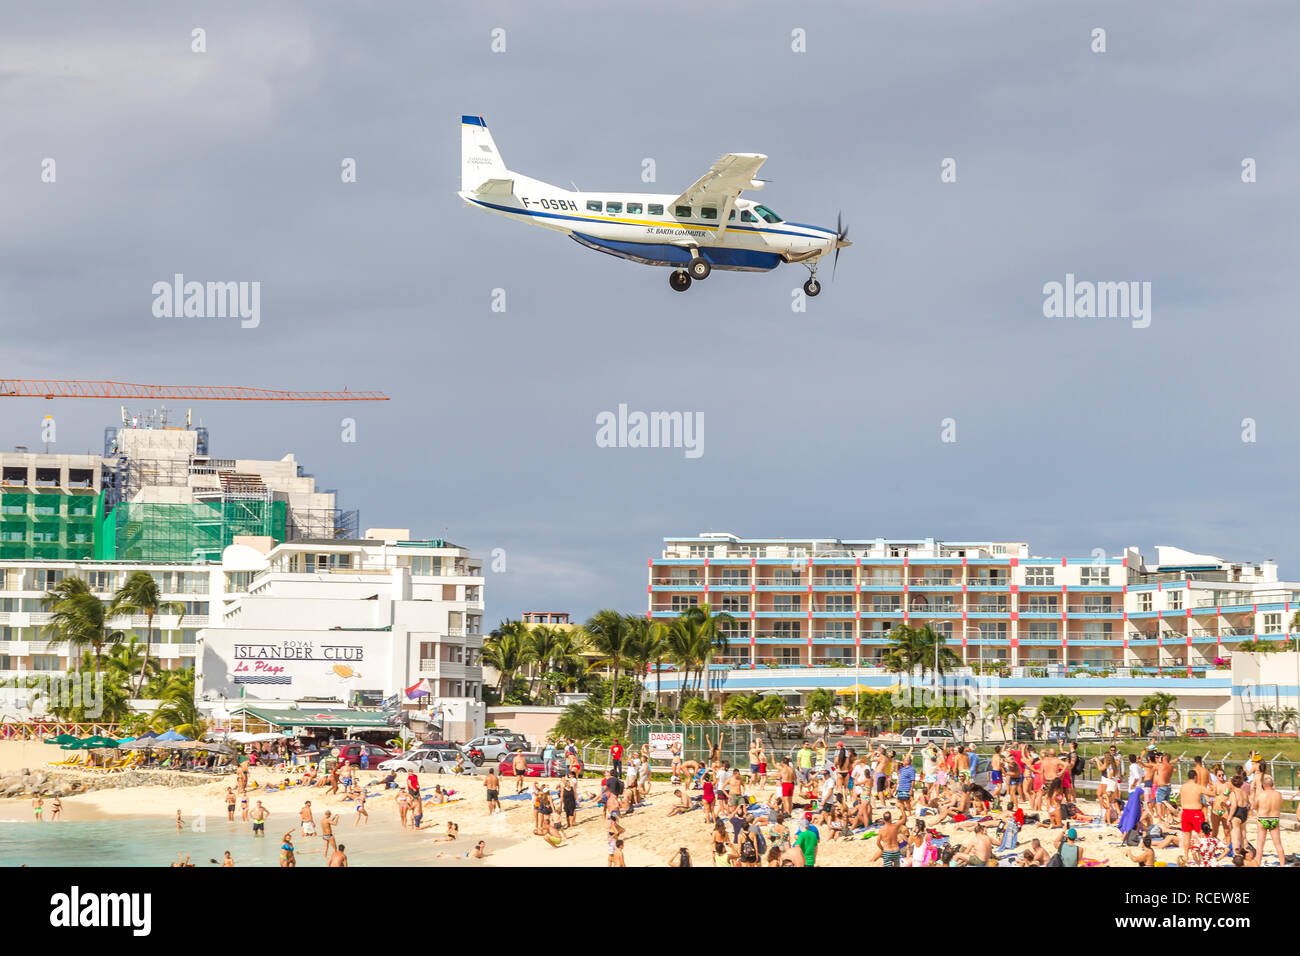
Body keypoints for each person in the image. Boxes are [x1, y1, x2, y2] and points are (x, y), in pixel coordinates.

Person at [1254, 774, 1285, 864]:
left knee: (1260, 845)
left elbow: (1254, 806)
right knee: (1278, 844)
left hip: (1263, 818)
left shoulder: (1260, 794)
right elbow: (1280, 806)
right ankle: (1282, 864)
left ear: (1263, 785)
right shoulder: (1278, 794)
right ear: (1272, 785)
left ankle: (1257, 863)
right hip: (1274, 818)